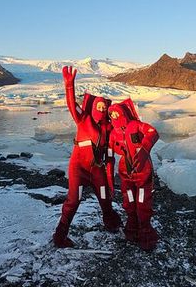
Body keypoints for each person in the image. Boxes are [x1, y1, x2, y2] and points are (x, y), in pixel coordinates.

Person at [53, 66, 121, 248]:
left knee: (105, 198)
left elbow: (119, 139)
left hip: (97, 169)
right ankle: (60, 236)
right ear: (93, 106)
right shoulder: (83, 119)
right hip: (79, 169)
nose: (102, 108)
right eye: (99, 105)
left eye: (104, 106)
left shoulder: (108, 127)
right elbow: (71, 104)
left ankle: (112, 222)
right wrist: (69, 85)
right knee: (73, 201)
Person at [108, 98, 159, 251]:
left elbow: (153, 132)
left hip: (142, 172)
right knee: (129, 201)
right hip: (126, 174)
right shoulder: (113, 134)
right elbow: (109, 154)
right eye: (112, 115)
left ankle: (146, 233)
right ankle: (132, 229)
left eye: (117, 114)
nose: (115, 117)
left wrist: (144, 149)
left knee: (143, 203)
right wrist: (108, 176)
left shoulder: (136, 126)